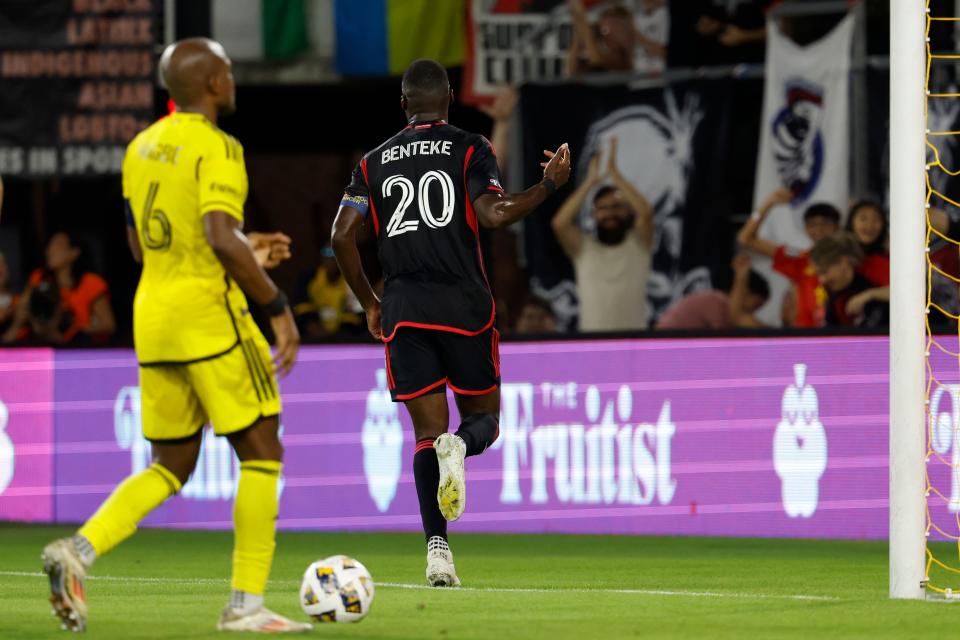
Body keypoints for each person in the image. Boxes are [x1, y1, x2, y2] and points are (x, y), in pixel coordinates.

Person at [40, 38, 307, 634]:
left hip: (153, 317)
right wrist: (276, 301)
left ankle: (76, 553)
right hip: (209, 318)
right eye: (230, 70)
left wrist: (247, 247)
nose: (234, 78)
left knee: (172, 462)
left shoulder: (140, 146)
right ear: (212, 83)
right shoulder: (219, 147)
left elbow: (144, 245)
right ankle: (245, 605)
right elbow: (217, 234)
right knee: (264, 453)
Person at [332, 58, 571, 587]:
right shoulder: (469, 146)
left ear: (403, 104)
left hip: (404, 313)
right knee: (483, 420)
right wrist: (548, 185)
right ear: (447, 100)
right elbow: (496, 214)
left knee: (424, 435)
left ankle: (438, 551)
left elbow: (341, 234)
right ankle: (460, 448)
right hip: (464, 308)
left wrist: (370, 301)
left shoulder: (371, 162)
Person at [551, 139, 653, 332]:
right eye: (603, 208)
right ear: (594, 215)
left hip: (636, 344)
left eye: (616, 207)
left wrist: (616, 177)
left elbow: (646, 213)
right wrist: (589, 182)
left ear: (627, 211)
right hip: (593, 345)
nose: (610, 213)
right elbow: (560, 223)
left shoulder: (639, 243)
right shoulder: (584, 248)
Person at [737, 187, 841, 327]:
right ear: (806, 229)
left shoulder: (848, 260)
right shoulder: (799, 257)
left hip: (840, 335)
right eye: (813, 224)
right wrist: (768, 203)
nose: (819, 229)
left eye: (825, 223)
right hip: (805, 338)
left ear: (837, 227)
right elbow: (746, 238)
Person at [2, 231, 115, 345]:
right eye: (49, 246)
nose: (50, 250)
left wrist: (73, 326)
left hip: (81, 346)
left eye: (58, 245)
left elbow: (108, 325)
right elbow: (24, 308)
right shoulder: (39, 277)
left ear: (74, 253)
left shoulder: (91, 282)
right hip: (42, 340)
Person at [656, 254, 770, 329]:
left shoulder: (716, 300)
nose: (752, 312)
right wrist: (741, 278)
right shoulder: (716, 301)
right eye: (755, 305)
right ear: (745, 292)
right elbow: (726, 336)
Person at [809, 232, 889, 328]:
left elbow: (905, 294)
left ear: (843, 262)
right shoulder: (833, 295)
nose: (822, 280)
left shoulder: (873, 269)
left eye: (825, 272)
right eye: (818, 274)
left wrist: (870, 295)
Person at [293, 245, 363, 338]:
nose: (331, 261)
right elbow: (302, 307)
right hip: (312, 335)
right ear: (321, 258)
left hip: (344, 337)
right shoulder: (308, 278)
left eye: (335, 256)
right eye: (327, 256)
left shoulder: (351, 281)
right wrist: (314, 327)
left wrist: (337, 338)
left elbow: (354, 315)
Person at [846, 200, 889, 286]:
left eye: (876, 219)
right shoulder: (840, 256)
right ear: (851, 222)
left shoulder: (889, 259)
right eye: (863, 219)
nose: (870, 225)